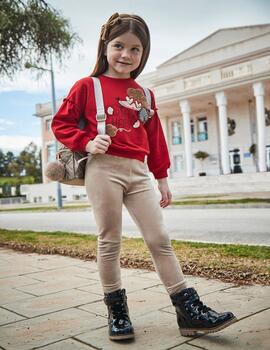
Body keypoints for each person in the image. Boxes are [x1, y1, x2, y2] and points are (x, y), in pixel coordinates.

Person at [51, 12, 237, 341]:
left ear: (143, 53)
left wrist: (162, 177)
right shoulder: (87, 86)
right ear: (105, 47)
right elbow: (61, 124)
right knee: (110, 241)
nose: (126, 55)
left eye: (135, 49)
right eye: (119, 46)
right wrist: (87, 141)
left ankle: (187, 311)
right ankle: (117, 311)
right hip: (103, 169)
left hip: (138, 173)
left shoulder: (146, 95)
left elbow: (155, 139)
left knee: (159, 239)